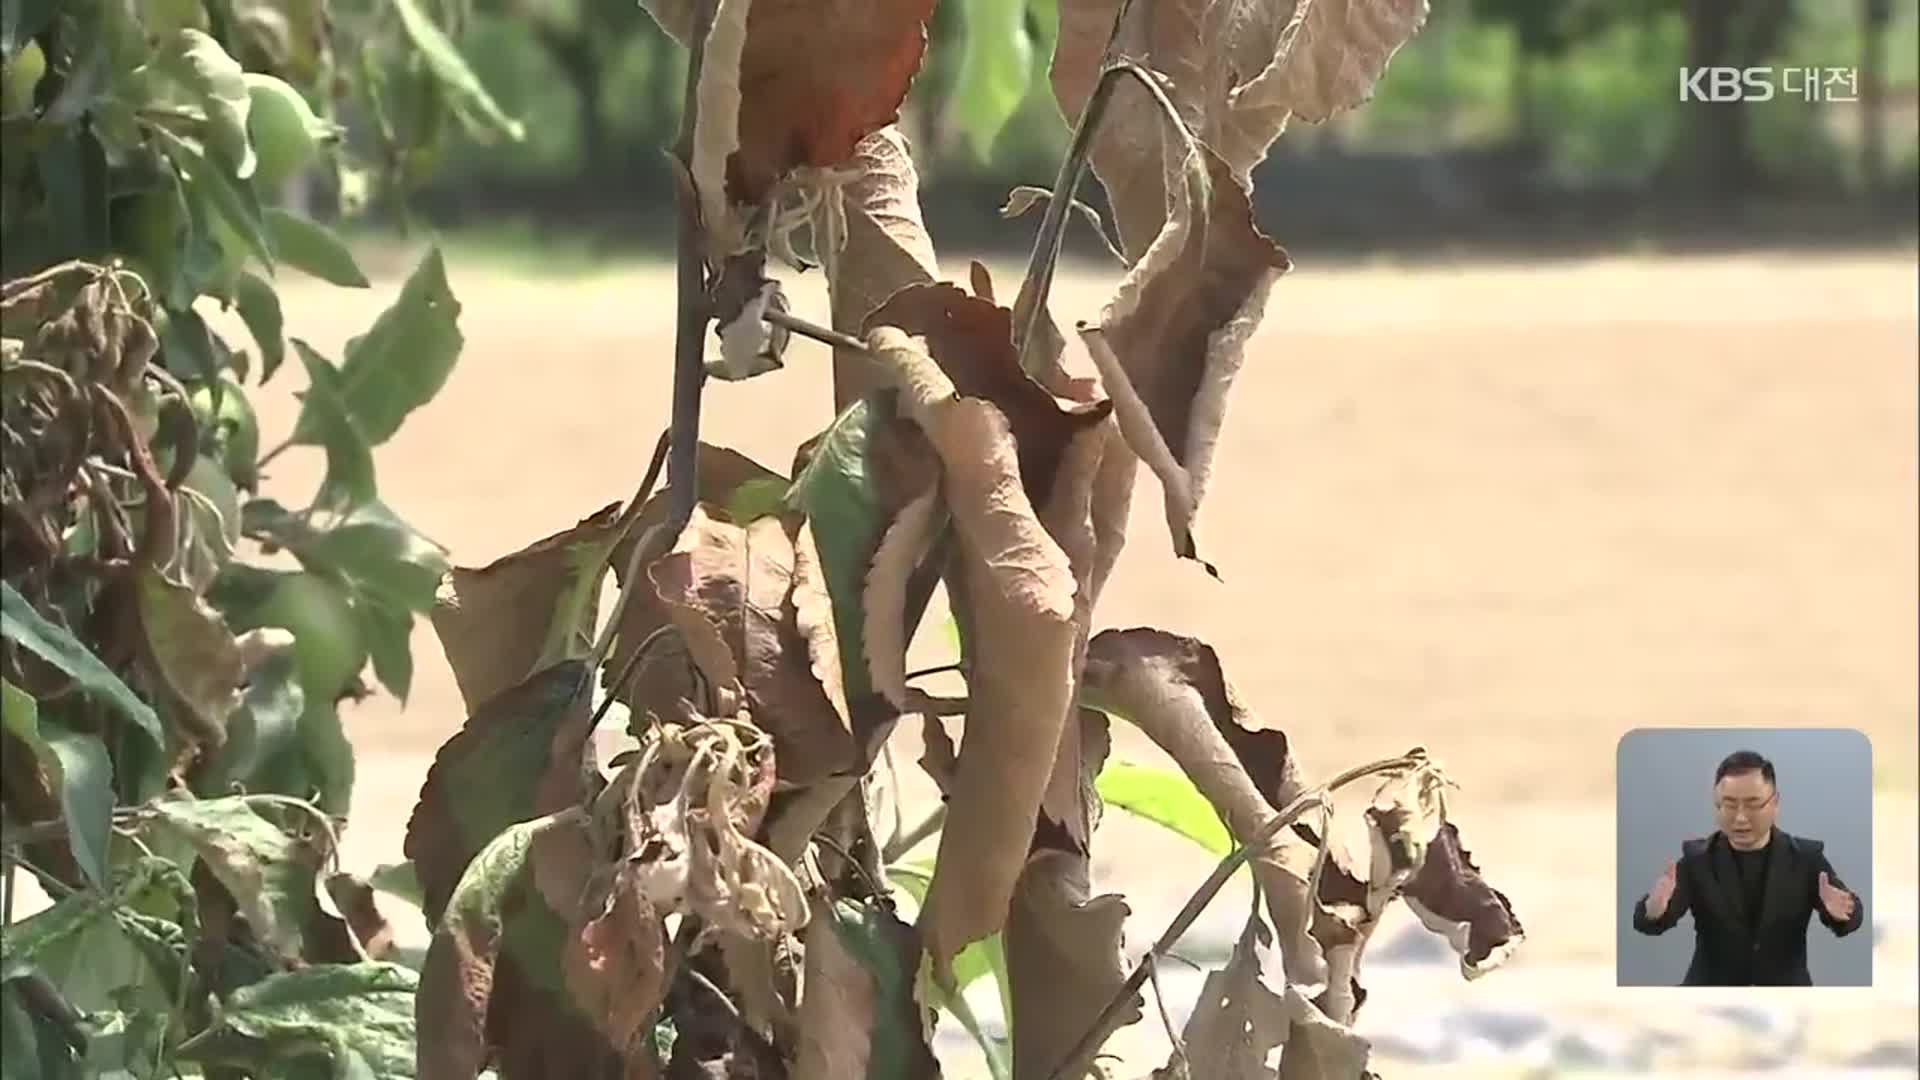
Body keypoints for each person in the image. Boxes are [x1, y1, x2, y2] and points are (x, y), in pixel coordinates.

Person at [1631, 749, 1864, 986]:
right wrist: (1654, 909)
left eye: (1753, 804)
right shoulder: (1697, 860)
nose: (1740, 818)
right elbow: (1649, 923)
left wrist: (1843, 912)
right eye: (1730, 805)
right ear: (1717, 805)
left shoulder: (1806, 858)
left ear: (1775, 803)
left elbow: (1851, 917)